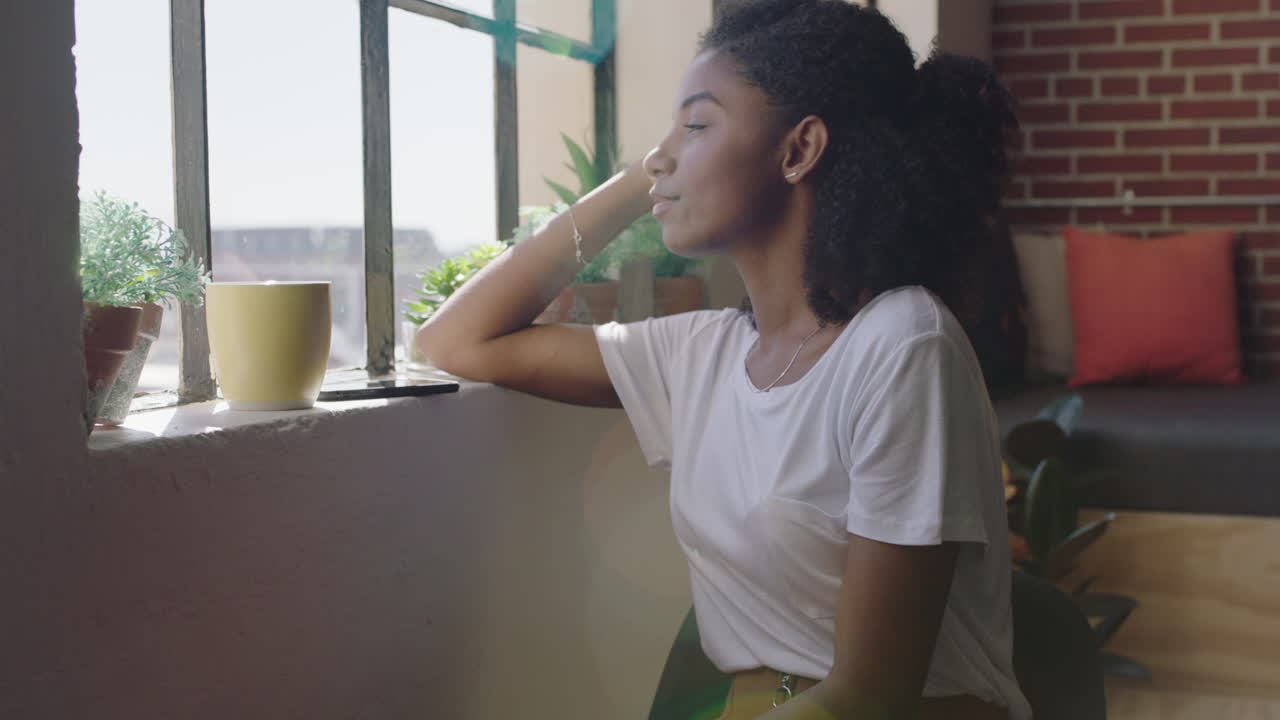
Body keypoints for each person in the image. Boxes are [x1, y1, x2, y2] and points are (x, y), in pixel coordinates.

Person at [416, 1, 1027, 718]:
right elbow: (457, 341)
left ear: (798, 150)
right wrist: (640, 182)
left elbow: (872, 692)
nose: (661, 153)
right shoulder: (702, 353)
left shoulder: (902, 345)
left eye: (698, 124)